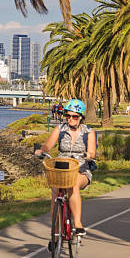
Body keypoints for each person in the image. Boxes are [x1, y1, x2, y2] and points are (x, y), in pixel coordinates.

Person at [35, 99, 97, 241]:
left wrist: (89, 155)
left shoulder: (89, 132)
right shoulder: (60, 129)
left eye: (74, 116)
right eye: (67, 116)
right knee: (55, 193)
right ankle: (55, 234)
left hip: (81, 170)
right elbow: (48, 146)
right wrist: (41, 151)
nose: (70, 119)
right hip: (61, 169)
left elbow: (92, 151)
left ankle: (78, 224)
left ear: (81, 117)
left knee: (73, 185)